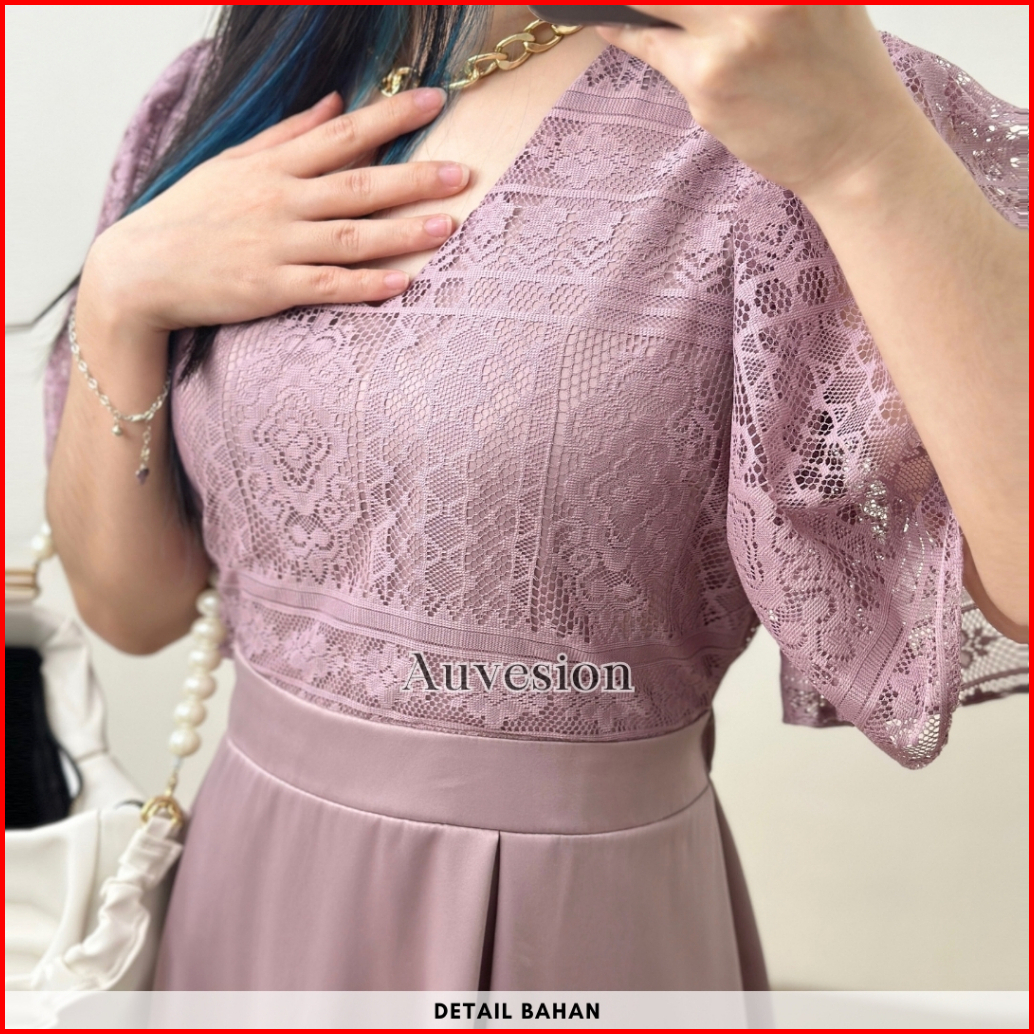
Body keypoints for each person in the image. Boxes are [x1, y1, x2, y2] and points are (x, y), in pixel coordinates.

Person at [42, 6, 1027, 991]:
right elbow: (132, 609)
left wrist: (865, 153)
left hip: (561, 927)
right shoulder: (232, 90)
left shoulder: (800, 91)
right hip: (246, 889)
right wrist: (122, 293)